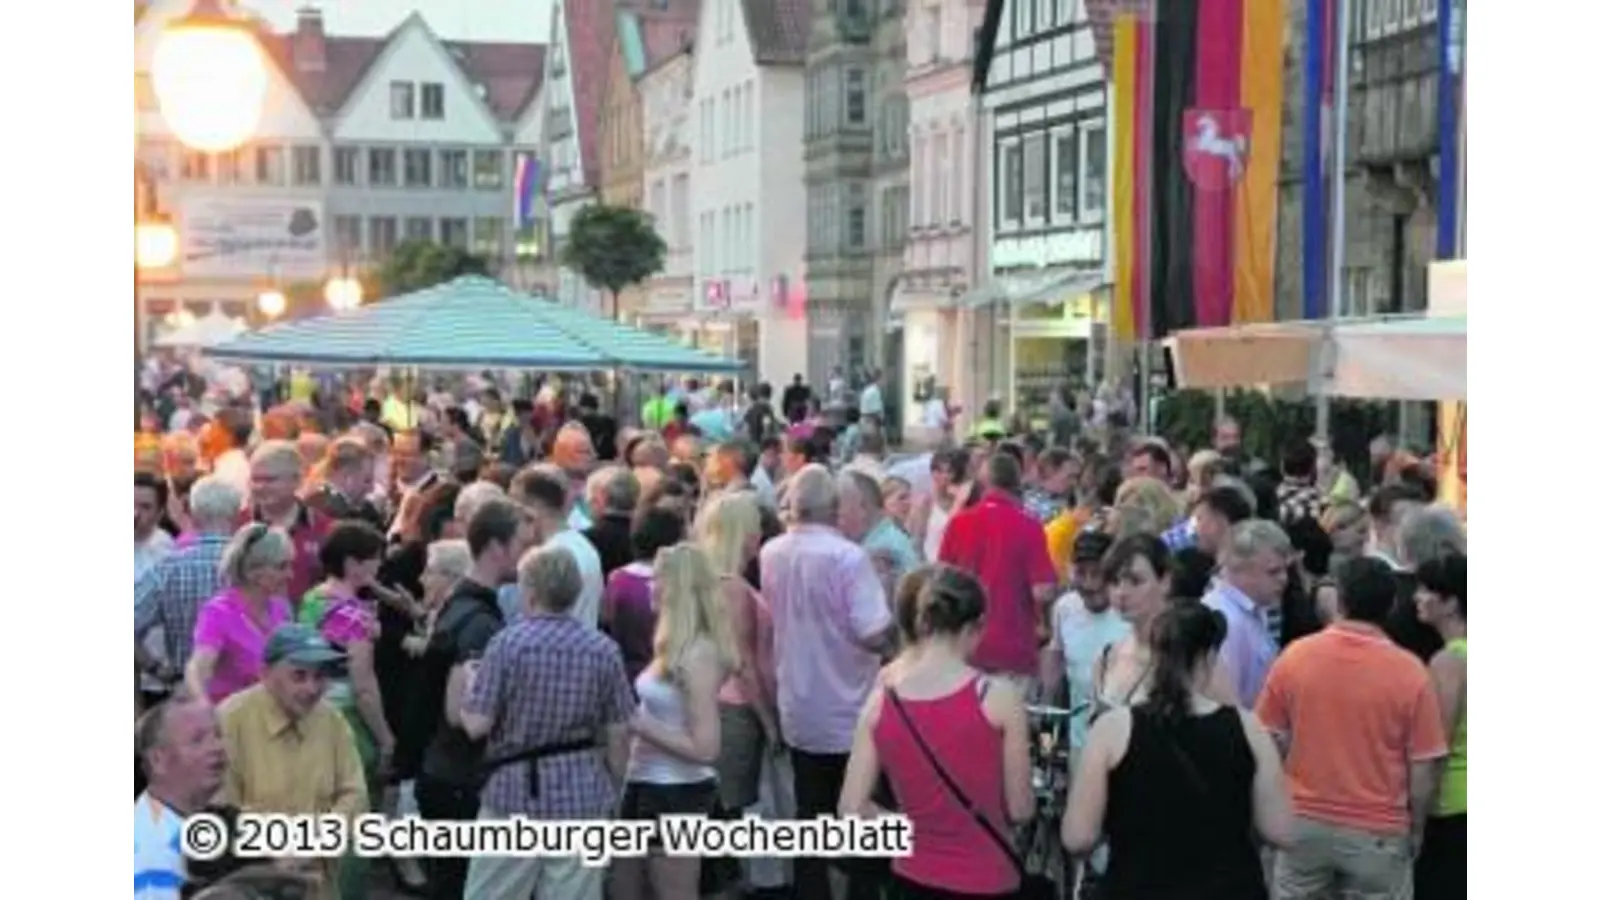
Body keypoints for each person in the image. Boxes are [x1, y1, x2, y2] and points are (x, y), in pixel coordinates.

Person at [1063, 602, 1292, 900]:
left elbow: (1078, 837)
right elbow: (1280, 830)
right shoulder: (1248, 729)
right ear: (1209, 657)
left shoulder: (1112, 730)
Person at [1256, 557, 1449, 899]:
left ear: (1341, 600)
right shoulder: (1411, 672)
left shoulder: (1295, 657)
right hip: (1379, 828)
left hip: (1302, 820)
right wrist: (1416, 828)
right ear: (1391, 605)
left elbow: (1268, 738)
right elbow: (1423, 767)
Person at [840, 565, 1034, 899]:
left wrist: (910, 827)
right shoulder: (998, 698)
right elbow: (1020, 809)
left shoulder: (880, 703)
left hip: (912, 878)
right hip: (987, 878)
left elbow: (852, 809)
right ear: (975, 627)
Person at [459, 544, 634, 900]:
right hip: (582, 792)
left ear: (531, 590)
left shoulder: (507, 645)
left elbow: (477, 725)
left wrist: (470, 688)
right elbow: (619, 735)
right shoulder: (603, 649)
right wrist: (615, 792)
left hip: (512, 792)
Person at [761, 465, 892, 900]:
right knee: (859, 813)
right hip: (850, 706)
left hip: (798, 702)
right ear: (834, 510)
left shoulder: (771, 552)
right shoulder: (848, 558)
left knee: (809, 813)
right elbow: (872, 631)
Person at [613, 544, 740, 900]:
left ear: (680, 587)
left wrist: (639, 724)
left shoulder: (699, 653)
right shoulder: (671, 646)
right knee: (623, 887)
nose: (650, 586)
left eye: (658, 580)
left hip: (677, 792)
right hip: (644, 783)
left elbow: (706, 747)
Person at [409, 499, 520, 899]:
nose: (526, 555)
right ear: (496, 547)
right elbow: (466, 715)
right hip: (459, 776)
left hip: (444, 771)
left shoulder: (463, 608)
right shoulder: (479, 623)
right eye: (520, 544)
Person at [217, 625, 367, 898]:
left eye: (320, 676)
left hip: (317, 886)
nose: (312, 688)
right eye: (299, 675)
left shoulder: (332, 721)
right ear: (265, 674)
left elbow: (355, 797)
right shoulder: (230, 721)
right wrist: (277, 854)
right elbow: (220, 813)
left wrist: (312, 844)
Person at [938, 451, 1058, 695]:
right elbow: (1043, 591)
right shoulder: (1030, 525)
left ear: (983, 484)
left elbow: (940, 583)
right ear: (1017, 484)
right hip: (1014, 648)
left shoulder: (958, 523)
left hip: (964, 649)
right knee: (1011, 727)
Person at [186, 525, 297, 705]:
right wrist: (203, 707)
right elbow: (198, 669)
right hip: (232, 720)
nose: (290, 575)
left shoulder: (281, 609)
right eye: (281, 567)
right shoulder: (218, 612)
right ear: (253, 571)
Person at [135, 691, 228, 899]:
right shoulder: (153, 852)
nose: (218, 748)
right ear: (158, 760)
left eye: (218, 735)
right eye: (197, 740)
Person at [1412, 553, 1467, 900]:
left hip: (1453, 805)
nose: (1416, 596)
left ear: (1450, 603)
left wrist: (1417, 817)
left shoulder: (1449, 662)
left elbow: (1436, 746)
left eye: (1425, 590)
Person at [1202, 520, 1293, 707]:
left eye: (1285, 570)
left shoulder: (1255, 609)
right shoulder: (1225, 620)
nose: (1284, 579)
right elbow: (1226, 704)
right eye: (1273, 572)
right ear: (1239, 569)